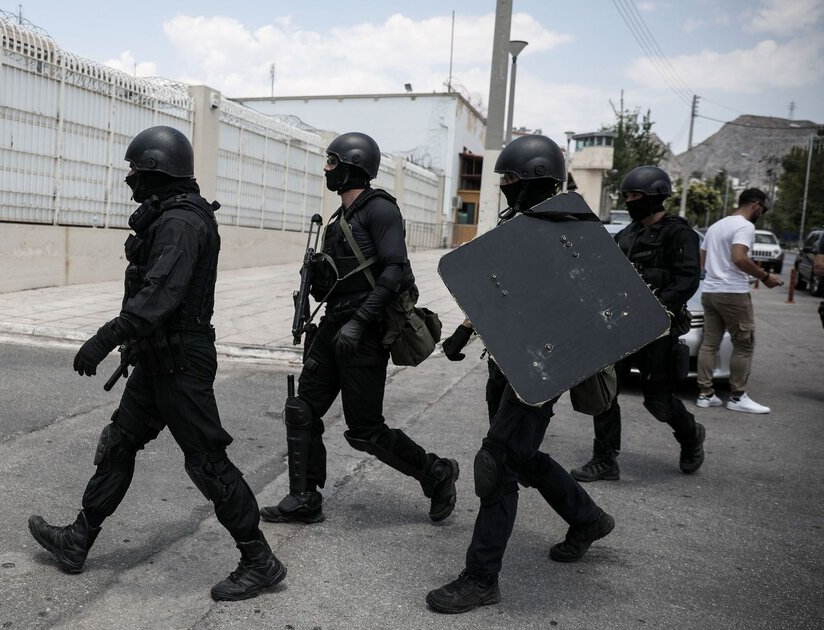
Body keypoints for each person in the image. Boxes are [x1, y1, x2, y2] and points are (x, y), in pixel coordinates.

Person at [27, 126, 286, 602]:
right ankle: (78, 539)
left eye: (135, 170)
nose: (129, 178)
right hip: (157, 358)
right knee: (119, 443)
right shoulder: (170, 215)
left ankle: (259, 561)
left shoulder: (182, 222)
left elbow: (159, 296)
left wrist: (103, 339)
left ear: (157, 171)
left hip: (181, 364)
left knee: (208, 464)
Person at [427, 135, 614, 614]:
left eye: (511, 178)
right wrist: (464, 331)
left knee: (496, 463)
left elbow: (596, 304)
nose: (505, 185)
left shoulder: (573, 230)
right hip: (506, 359)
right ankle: (587, 518)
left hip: (544, 364)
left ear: (536, 179)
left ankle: (481, 577)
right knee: (522, 457)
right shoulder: (514, 223)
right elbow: (499, 288)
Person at [259, 132, 459, 526]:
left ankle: (436, 473)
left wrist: (359, 322)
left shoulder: (380, 209)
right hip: (333, 325)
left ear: (353, 165)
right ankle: (304, 497)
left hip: (362, 331)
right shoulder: (339, 219)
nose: (326, 169)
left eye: (332, 162)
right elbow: (337, 281)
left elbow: (395, 270)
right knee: (302, 410)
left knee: (365, 430)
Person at [570, 166, 706, 482]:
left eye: (636, 196)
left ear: (655, 196)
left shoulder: (679, 233)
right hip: (621, 327)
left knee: (658, 402)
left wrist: (654, 309)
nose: (630, 201)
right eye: (627, 196)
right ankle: (605, 459)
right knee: (605, 392)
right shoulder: (627, 235)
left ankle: (691, 436)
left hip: (658, 331)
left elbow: (687, 280)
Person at [696, 188, 783, 413]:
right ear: (755, 204)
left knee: (709, 344)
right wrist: (765, 277)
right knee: (744, 344)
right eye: (763, 209)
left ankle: (705, 394)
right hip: (732, 292)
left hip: (710, 291)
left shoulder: (716, 226)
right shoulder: (745, 226)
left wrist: (718, 271)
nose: (762, 213)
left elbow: (702, 261)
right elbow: (739, 258)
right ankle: (737, 397)